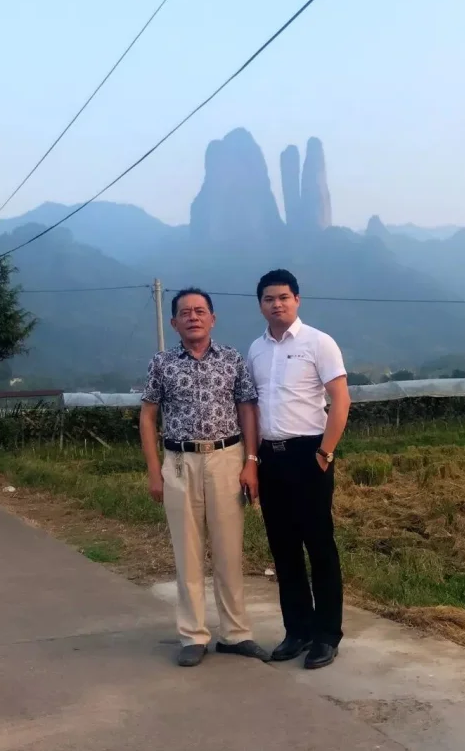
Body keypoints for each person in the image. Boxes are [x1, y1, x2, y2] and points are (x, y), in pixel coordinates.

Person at [140, 288, 269, 667]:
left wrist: (251, 461)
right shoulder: (162, 363)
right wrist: (154, 471)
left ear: (213, 318)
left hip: (227, 459)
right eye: (185, 312)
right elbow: (148, 416)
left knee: (229, 551)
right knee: (188, 552)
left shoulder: (232, 359)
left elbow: (247, 410)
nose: (193, 317)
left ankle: (236, 634)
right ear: (174, 322)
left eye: (200, 311)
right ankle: (193, 635)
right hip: (180, 461)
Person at [247, 269, 351, 669]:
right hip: (270, 458)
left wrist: (325, 453)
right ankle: (298, 631)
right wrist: (253, 460)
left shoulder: (318, 342)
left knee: (319, 546)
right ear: (260, 304)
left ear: (297, 300)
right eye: (269, 298)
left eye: (284, 297)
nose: (277, 304)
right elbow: (252, 408)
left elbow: (341, 400)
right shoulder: (255, 350)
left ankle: (326, 635)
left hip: (309, 454)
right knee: (284, 548)